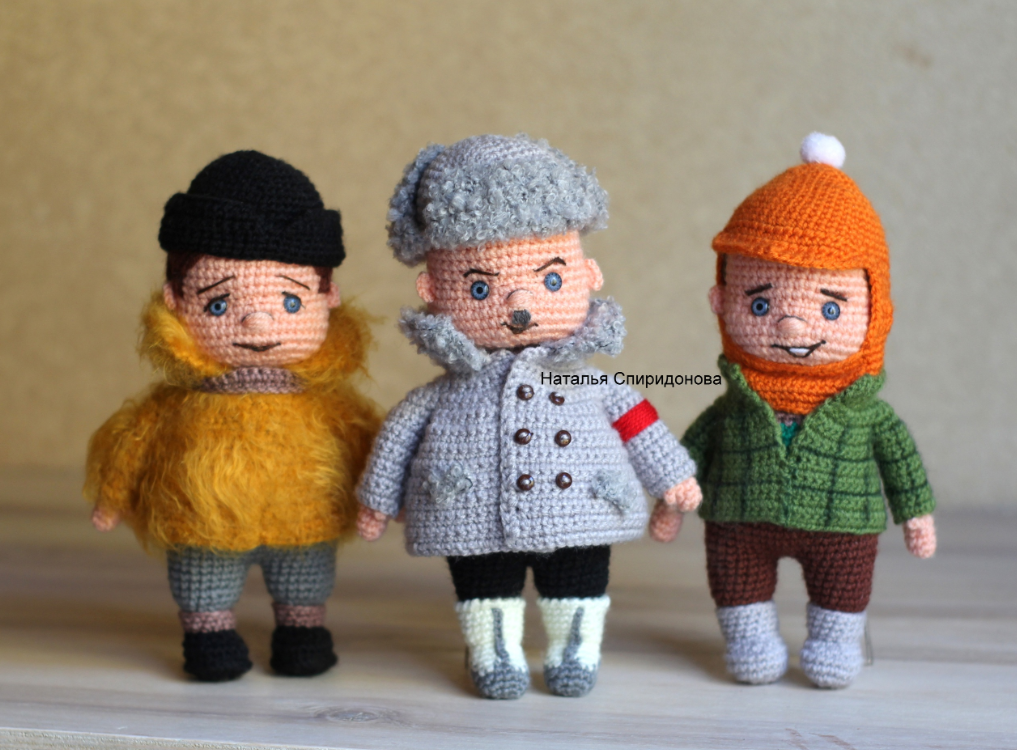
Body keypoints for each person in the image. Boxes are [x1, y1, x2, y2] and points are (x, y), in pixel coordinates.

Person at [356, 134, 701, 699]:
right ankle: (492, 654)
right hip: (473, 512)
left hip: (580, 506)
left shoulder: (591, 383)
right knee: (484, 586)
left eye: (550, 279)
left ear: (587, 275)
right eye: (480, 287)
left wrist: (672, 477)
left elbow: (638, 421)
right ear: (432, 289)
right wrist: (377, 497)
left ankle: (575, 651)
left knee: (578, 583)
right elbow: (399, 434)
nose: (518, 306)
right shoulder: (441, 395)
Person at [655, 133, 936, 689]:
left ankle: (836, 641)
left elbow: (899, 457)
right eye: (761, 303)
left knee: (843, 587)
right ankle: (750, 640)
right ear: (721, 301)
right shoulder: (730, 407)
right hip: (738, 519)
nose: (791, 325)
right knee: (737, 583)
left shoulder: (868, 414)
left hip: (843, 525)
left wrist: (916, 512)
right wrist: (671, 498)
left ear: (876, 312)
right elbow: (691, 449)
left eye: (830, 308)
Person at [85, 151, 379, 681]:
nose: (258, 323)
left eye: (291, 303)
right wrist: (113, 492)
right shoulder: (177, 403)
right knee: (203, 582)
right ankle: (209, 636)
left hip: (305, 519)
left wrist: (386, 494)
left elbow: (366, 440)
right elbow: (134, 437)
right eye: (219, 305)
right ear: (176, 300)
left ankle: (302, 631)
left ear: (327, 298)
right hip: (204, 520)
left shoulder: (330, 402)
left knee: (305, 580)